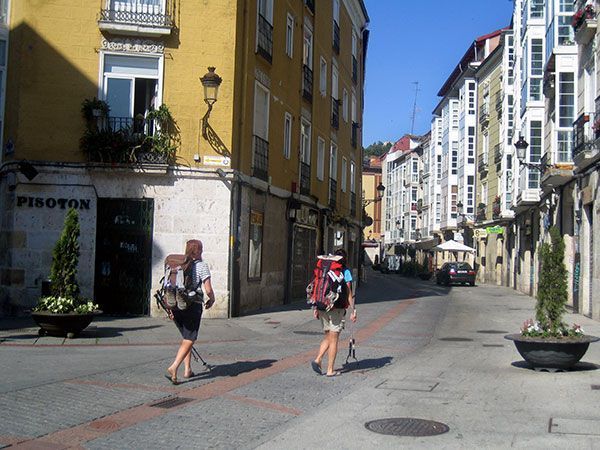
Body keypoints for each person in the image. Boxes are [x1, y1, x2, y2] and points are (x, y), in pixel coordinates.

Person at [165, 239, 215, 384]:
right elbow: (208, 289)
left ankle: (187, 369)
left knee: (186, 337)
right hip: (192, 304)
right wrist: (212, 299)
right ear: (199, 251)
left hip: (176, 303)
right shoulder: (202, 266)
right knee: (190, 337)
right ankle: (174, 367)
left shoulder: (178, 264)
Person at [311, 248, 357, 377]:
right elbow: (348, 292)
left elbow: (318, 287)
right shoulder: (345, 271)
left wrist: (315, 307)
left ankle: (318, 359)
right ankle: (329, 369)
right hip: (336, 308)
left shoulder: (325, 269)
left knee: (328, 336)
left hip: (322, 306)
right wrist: (353, 310)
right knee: (334, 339)